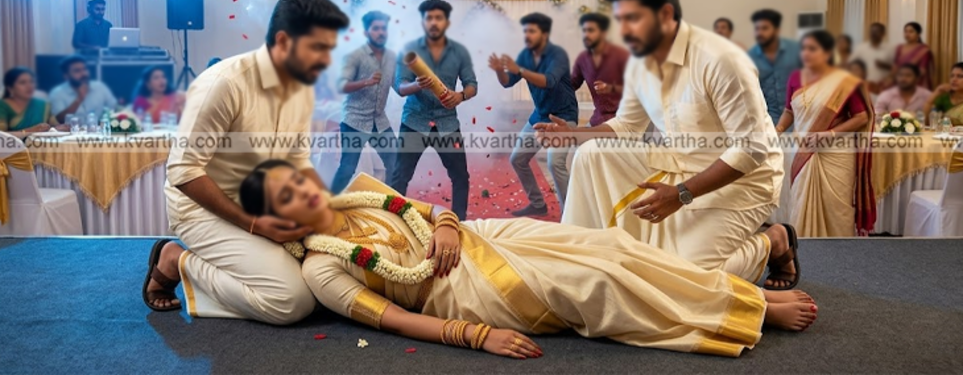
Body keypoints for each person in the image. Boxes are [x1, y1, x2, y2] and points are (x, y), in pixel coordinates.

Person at [242, 162, 818, 359]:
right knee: (596, 280)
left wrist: (445, 226)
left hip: (479, 234)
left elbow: (430, 209)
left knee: (611, 245)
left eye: (298, 179)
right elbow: (393, 319)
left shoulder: (362, 190)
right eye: (286, 196)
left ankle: (759, 264)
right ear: (276, 220)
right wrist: (476, 336)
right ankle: (752, 304)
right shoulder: (321, 269)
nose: (304, 191)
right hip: (458, 288)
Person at [541, 0, 798, 290]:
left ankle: (773, 241)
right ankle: (588, 259)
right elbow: (627, 126)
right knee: (591, 153)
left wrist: (681, 193)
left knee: (682, 281)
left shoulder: (721, 60)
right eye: (620, 20)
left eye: (632, 19)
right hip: (679, 166)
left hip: (745, 180)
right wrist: (574, 134)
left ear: (665, 14)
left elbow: (752, 150)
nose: (625, 32)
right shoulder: (640, 62)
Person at [140, 0, 350, 323]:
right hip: (201, 211)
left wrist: (322, 208)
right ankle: (175, 260)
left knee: (328, 274)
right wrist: (255, 225)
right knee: (291, 300)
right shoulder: (224, 83)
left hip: (263, 204)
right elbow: (183, 170)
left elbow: (298, 161)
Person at [774, 31, 874, 238]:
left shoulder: (843, 82)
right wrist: (778, 129)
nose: (806, 53)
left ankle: (841, 251)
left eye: (812, 49)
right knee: (800, 202)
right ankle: (804, 249)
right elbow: (789, 111)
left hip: (836, 153)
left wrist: (829, 134)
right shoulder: (795, 77)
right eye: (803, 48)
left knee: (837, 209)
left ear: (828, 53)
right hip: (803, 150)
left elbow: (862, 117)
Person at [391, 0, 477, 220]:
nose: (433, 22)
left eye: (438, 18)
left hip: (447, 123)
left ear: (446, 22)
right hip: (414, 121)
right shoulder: (409, 50)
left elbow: (472, 85)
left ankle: (459, 224)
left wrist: (460, 96)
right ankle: (393, 223)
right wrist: (417, 85)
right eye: (429, 18)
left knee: (460, 177)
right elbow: (400, 87)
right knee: (399, 176)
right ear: (423, 22)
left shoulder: (459, 52)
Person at [489, 13, 579, 217]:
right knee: (517, 159)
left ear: (544, 34)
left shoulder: (557, 55)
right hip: (540, 115)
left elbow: (549, 81)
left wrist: (520, 70)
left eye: (532, 31)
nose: (527, 35)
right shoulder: (525, 56)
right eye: (525, 31)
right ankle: (538, 204)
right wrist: (499, 70)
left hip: (563, 117)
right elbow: (507, 82)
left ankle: (571, 214)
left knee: (555, 163)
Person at [330, 11, 398, 193]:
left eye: (384, 28)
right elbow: (341, 86)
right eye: (376, 28)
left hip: (379, 121)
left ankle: (391, 203)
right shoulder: (354, 56)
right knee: (347, 168)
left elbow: (398, 87)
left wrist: (417, 84)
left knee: (394, 160)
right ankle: (329, 205)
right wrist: (366, 82)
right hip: (354, 120)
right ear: (366, 32)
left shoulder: (392, 57)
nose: (381, 32)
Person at [571, 12, 629, 127]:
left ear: (603, 33)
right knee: (574, 137)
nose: (586, 35)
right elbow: (572, 84)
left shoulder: (621, 56)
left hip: (624, 120)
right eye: (584, 30)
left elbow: (638, 90)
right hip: (598, 119)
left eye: (591, 30)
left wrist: (611, 88)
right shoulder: (583, 58)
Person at [747, 9, 801, 127]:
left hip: (798, 117)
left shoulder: (797, 49)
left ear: (777, 30)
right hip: (768, 120)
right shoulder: (750, 57)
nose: (759, 33)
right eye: (757, 28)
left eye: (765, 28)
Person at [49, 55, 118, 123]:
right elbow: (59, 119)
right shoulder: (57, 93)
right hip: (71, 130)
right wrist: (79, 99)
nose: (84, 73)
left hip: (99, 128)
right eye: (77, 71)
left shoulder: (100, 87)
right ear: (66, 76)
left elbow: (114, 108)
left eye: (84, 69)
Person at [0, 67, 57, 136]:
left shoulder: (43, 105)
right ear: (10, 88)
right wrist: (30, 131)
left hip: (43, 142)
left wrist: (58, 128)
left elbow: (54, 126)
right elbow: (1, 135)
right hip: (13, 143)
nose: (29, 86)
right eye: (22, 82)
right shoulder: (2, 106)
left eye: (31, 81)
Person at [850, 23, 894, 93]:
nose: (873, 33)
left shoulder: (891, 49)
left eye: (876, 31)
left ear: (883, 34)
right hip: (863, 86)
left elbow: (896, 68)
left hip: (882, 88)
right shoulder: (860, 48)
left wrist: (885, 66)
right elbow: (850, 65)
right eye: (872, 31)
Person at [893, 22, 934, 90]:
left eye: (911, 32)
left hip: (917, 84)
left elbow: (922, 70)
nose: (907, 34)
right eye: (906, 31)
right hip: (899, 82)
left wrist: (907, 78)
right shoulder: (899, 48)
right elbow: (895, 66)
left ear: (918, 34)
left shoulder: (924, 50)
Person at [924, 62, 963, 126]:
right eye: (952, 76)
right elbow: (927, 122)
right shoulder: (944, 98)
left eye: (960, 76)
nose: (954, 79)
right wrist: (937, 92)